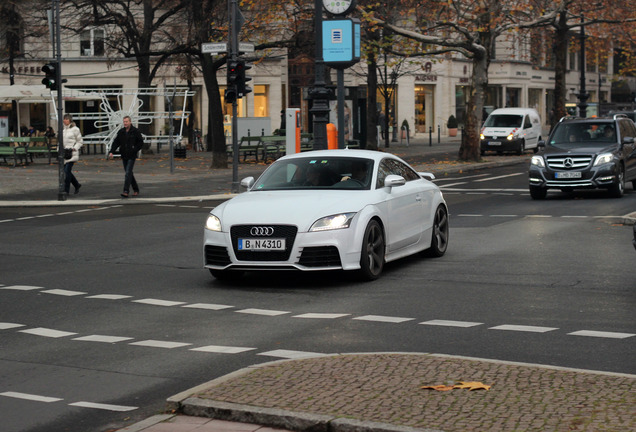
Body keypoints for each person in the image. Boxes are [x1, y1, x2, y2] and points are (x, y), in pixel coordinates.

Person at [109, 116, 144, 198]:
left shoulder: (135, 131)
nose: (125, 123)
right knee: (129, 173)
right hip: (124, 155)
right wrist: (111, 151)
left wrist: (134, 149)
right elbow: (116, 142)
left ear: (130, 122)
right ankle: (136, 189)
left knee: (128, 173)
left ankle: (126, 191)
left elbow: (140, 142)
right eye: (124, 122)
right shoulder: (121, 132)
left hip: (132, 155)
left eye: (126, 121)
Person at [62, 114, 83, 195]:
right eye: (64, 119)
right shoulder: (63, 130)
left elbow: (80, 141)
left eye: (67, 119)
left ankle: (66, 190)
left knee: (67, 172)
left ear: (70, 120)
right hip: (64, 153)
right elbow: (60, 142)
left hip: (72, 153)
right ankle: (77, 184)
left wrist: (75, 148)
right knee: (66, 172)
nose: (65, 120)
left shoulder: (75, 129)